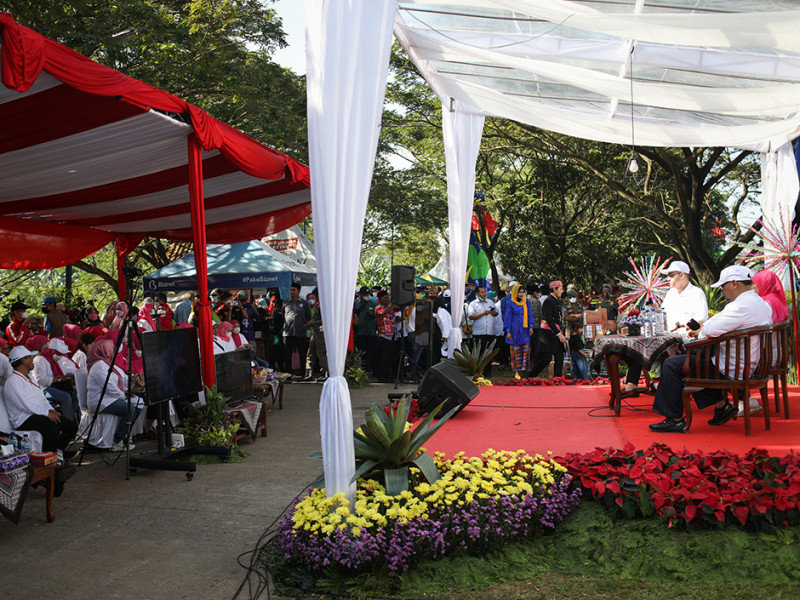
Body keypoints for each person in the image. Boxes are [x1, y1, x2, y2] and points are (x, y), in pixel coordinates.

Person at [649, 265, 773, 433]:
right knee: (693, 361)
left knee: (673, 364)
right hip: (744, 364)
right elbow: (716, 322)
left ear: (734, 283)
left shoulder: (740, 306)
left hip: (729, 367)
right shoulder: (760, 303)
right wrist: (704, 329)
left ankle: (674, 418)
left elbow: (710, 330)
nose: (722, 291)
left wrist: (701, 330)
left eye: (723, 286)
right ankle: (721, 405)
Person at [621, 260, 709, 397]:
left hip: (687, 336)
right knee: (640, 344)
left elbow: (701, 317)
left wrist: (679, 324)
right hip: (667, 335)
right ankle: (632, 384)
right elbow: (662, 313)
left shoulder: (696, 293)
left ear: (682, 275)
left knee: (667, 345)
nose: (668, 279)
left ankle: (669, 382)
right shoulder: (671, 293)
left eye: (671, 275)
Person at [4, 345, 78, 454]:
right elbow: (25, 405)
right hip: (24, 418)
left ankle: (57, 452)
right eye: (29, 358)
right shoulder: (13, 381)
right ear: (23, 360)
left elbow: (41, 398)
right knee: (52, 428)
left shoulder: (30, 377)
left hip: (37, 413)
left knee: (70, 427)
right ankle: (49, 458)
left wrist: (51, 410)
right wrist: (46, 413)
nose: (32, 360)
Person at [740, 270, 790, 416]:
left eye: (755, 284)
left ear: (764, 285)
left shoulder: (766, 303)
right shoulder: (776, 300)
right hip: (776, 352)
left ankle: (743, 401)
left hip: (767, 355)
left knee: (729, 361)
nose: (752, 288)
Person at [86, 339, 144, 451]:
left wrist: (127, 391)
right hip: (100, 400)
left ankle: (125, 434)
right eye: (111, 349)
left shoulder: (107, 363)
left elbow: (117, 382)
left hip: (110, 397)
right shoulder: (98, 366)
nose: (113, 351)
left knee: (138, 404)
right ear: (104, 350)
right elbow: (109, 386)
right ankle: (117, 441)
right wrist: (123, 395)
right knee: (130, 410)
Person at [530, 280, 567, 379]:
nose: (562, 291)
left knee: (559, 355)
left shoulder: (556, 301)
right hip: (548, 333)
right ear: (554, 289)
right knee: (546, 359)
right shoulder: (548, 301)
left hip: (555, 330)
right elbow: (548, 319)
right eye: (560, 289)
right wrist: (558, 333)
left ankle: (557, 378)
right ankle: (531, 375)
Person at [503, 283, 534, 380]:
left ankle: (525, 370)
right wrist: (508, 331)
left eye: (522, 292)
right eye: (519, 292)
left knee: (526, 350)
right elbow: (507, 317)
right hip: (514, 330)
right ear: (515, 292)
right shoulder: (510, 303)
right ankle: (516, 371)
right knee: (515, 351)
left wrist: (531, 326)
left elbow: (529, 314)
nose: (521, 294)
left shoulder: (526, 301)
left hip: (525, 330)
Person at [468, 285, 500, 377]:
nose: (484, 294)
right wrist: (483, 313)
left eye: (485, 292)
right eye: (482, 292)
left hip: (490, 332)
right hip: (479, 332)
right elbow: (471, 316)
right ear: (477, 294)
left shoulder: (490, 302)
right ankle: (478, 372)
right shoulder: (473, 304)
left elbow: (496, 313)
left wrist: (493, 312)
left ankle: (487, 372)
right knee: (479, 353)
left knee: (488, 353)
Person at [281, 283, 312, 377]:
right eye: (290, 290)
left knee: (302, 353)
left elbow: (308, 316)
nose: (292, 292)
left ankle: (303, 373)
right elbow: (283, 316)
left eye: (294, 290)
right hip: (288, 333)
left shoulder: (304, 303)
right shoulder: (285, 302)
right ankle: (288, 374)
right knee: (287, 354)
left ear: (299, 291)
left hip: (300, 332)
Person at [374, 291, 401, 382]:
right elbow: (383, 312)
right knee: (383, 358)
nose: (387, 299)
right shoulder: (378, 308)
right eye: (385, 298)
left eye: (388, 297)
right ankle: (381, 376)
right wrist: (393, 304)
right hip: (384, 336)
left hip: (393, 335)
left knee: (390, 358)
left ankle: (388, 375)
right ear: (380, 299)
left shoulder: (391, 308)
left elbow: (398, 309)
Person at [565, 289, 591, 381]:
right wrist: (576, 317)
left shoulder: (579, 304)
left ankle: (575, 380)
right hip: (570, 329)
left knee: (576, 367)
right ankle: (585, 379)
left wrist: (575, 316)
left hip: (578, 327)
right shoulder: (565, 304)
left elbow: (583, 315)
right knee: (580, 365)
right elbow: (566, 317)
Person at [353, 286, 378, 375]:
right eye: (364, 294)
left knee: (371, 352)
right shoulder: (355, 303)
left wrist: (373, 315)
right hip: (360, 332)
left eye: (368, 294)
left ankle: (370, 369)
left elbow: (378, 315)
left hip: (371, 332)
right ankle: (361, 370)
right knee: (360, 352)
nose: (367, 296)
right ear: (360, 294)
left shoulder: (373, 303)